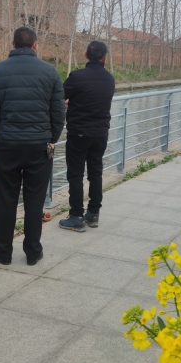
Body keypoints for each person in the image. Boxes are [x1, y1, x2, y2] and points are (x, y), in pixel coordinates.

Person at [0, 26, 65, 266]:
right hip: (39, 146)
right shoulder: (50, 72)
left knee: (6, 199)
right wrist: (52, 139)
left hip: (7, 145)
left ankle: (3, 252)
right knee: (34, 200)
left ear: (13, 44)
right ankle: (32, 252)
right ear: (36, 45)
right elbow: (58, 114)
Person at [58, 41, 116, 232]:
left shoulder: (77, 76)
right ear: (104, 58)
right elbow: (96, 100)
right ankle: (93, 213)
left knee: (75, 174)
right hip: (100, 134)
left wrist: (68, 103)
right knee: (95, 173)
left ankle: (76, 215)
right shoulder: (109, 79)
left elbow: (59, 96)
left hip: (79, 133)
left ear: (85, 55)